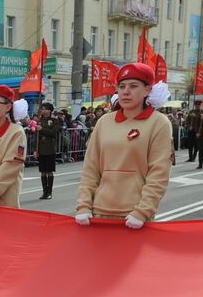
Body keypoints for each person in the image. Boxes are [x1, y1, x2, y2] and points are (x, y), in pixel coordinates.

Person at [74, 62, 173, 230]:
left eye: (133, 86)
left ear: (147, 90)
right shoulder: (104, 122)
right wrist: (84, 205)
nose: (126, 92)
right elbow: (91, 168)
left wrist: (143, 211)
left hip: (134, 217)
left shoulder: (159, 123)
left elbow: (159, 173)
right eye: (121, 86)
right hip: (99, 212)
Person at [34, 102, 62, 199]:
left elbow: (53, 133)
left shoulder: (54, 120)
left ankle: (49, 192)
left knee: (49, 171)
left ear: (50, 110)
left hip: (50, 148)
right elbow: (36, 136)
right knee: (42, 171)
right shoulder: (39, 120)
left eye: (46, 109)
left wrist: (42, 129)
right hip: (41, 148)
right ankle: (44, 192)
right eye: (42, 108)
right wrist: (35, 150)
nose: (43, 110)